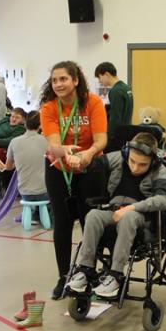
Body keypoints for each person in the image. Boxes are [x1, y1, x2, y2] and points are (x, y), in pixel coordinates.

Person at [65, 132, 166, 297]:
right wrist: (77, 158)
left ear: (152, 160)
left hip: (140, 216)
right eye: (132, 161)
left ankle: (116, 275)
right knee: (93, 215)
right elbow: (92, 161)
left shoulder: (160, 169)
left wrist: (131, 208)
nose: (135, 168)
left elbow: (163, 200)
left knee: (128, 217)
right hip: (114, 211)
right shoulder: (118, 158)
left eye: (142, 165)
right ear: (127, 154)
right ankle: (85, 270)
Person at [40, 61, 108, 299]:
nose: (58, 84)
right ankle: (64, 276)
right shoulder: (49, 107)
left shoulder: (93, 102)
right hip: (59, 170)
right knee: (62, 222)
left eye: (63, 79)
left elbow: (101, 140)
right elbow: (53, 144)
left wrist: (87, 154)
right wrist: (66, 152)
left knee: (91, 221)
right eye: (54, 80)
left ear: (75, 80)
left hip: (89, 169)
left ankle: (91, 272)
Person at [5, 111, 49, 202]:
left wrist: (18, 164)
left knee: (31, 209)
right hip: (44, 191)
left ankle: (33, 214)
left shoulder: (14, 142)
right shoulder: (47, 141)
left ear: (25, 124)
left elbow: (8, 167)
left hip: (25, 192)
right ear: (41, 125)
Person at [95, 62, 134, 151]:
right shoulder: (126, 88)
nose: (99, 81)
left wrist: (108, 138)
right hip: (125, 133)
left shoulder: (115, 91)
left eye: (99, 77)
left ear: (106, 74)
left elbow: (115, 118)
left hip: (116, 138)